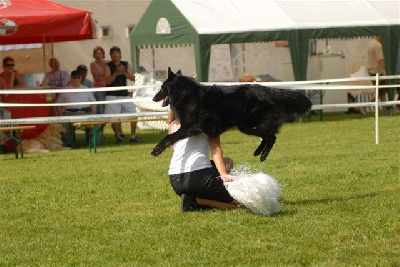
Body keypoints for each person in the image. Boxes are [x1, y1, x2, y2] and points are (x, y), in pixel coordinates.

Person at [167, 111, 241, 212]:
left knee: (227, 161)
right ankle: (197, 200)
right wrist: (224, 175)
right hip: (198, 177)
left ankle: (195, 199)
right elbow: (215, 148)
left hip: (175, 180)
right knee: (243, 203)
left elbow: (175, 151)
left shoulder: (172, 125)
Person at [104, 46, 138, 144]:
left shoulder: (126, 64)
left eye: (117, 53)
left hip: (124, 94)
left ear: (120, 54)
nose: (115, 55)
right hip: (112, 95)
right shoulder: (108, 66)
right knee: (115, 117)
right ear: (110, 55)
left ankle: (133, 136)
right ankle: (118, 136)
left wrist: (124, 72)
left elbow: (133, 78)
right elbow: (107, 81)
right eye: (113, 53)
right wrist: (116, 72)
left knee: (133, 114)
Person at [56, 70, 97, 147]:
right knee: (64, 124)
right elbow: (58, 104)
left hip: (85, 113)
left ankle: (91, 142)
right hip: (70, 113)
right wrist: (61, 115)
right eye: (74, 77)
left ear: (81, 78)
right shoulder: (65, 90)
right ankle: (69, 143)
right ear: (71, 78)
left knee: (96, 123)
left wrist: (93, 114)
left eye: (78, 77)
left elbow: (94, 103)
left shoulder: (86, 89)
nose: (76, 79)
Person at [90, 46, 107, 138]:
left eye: (100, 53)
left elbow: (108, 76)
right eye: (97, 53)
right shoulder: (93, 64)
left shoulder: (107, 63)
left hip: (107, 88)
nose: (98, 55)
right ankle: (101, 132)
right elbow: (97, 77)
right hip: (98, 89)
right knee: (100, 110)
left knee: (108, 110)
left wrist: (105, 77)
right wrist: (106, 77)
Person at [366, 36, 387, 112]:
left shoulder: (370, 44)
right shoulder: (378, 45)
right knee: (380, 91)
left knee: (381, 91)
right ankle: (365, 105)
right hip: (377, 71)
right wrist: (385, 71)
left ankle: (384, 109)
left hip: (371, 71)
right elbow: (380, 59)